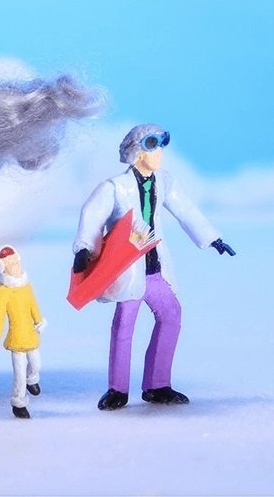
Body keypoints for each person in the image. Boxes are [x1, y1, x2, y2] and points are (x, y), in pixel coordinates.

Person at [72, 124, 235, 410]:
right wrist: (84, 247)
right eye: (153, 147)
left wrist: (213, 238)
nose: (159, 153)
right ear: (137, 152)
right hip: (127, 269)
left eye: (161, 147)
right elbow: (92, 215)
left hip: (155, 267)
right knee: (124, 325)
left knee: (171, 314)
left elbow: (186, 210)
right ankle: (117, 389)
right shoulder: (114, 187)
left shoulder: (164, 182)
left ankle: (157, 384)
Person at [0, 246, 47, 419]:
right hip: (16, 339)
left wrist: (39, 321)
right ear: (1, 267)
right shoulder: (3, 292)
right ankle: (19, 403)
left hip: (31, 335)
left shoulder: (26, 286)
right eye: (9, 262)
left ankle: (31, 379)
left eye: (16, 261)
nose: (15, 265)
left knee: (36, 364)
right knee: (19, 374)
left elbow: (33, 305)